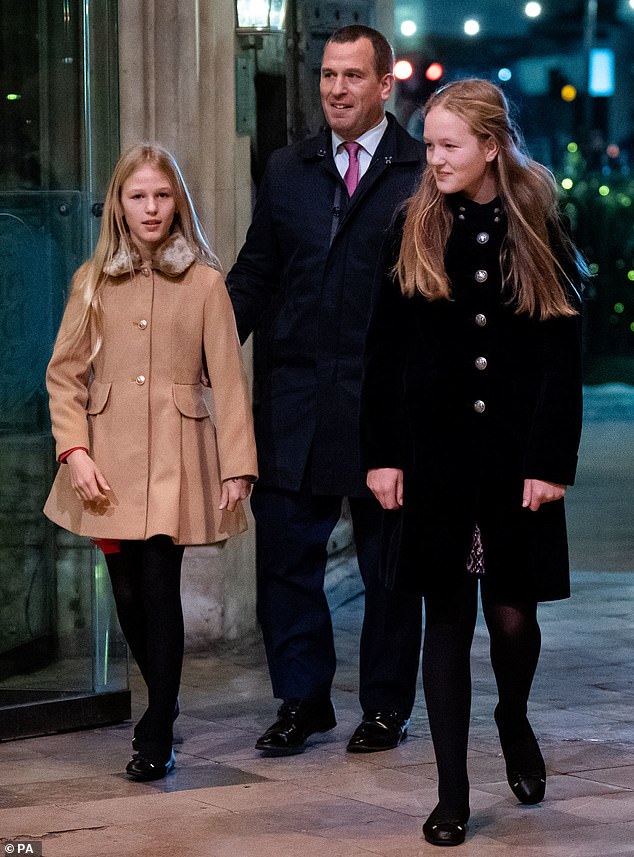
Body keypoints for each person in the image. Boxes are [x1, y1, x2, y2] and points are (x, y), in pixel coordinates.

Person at [360, 79, 586, 846]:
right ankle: (451, 791)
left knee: (514, 619)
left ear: (491, 145)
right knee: (447, 621)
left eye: (449, 145)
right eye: (428, 145)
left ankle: (513, 716)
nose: (436, 159)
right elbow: (384, 350)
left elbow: (563, 351)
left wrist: (551, 459)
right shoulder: (413, 224)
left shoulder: (538, 220)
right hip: (437, 460)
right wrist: (383, 456)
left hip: (518, 459)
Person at [227, 25, 425, 756]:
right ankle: (303, 700)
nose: (336, 89)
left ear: (383, 84)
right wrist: (203, 346)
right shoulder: (288, 169)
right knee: (286, 561)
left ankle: (385, 706)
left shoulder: (418, 171)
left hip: (384, 410)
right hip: (294, 404)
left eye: (352, 76)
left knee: (388, 571)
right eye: (327, 76)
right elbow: (254, 275)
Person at [43, 143, 258, 781]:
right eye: (138, 196)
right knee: (129, 593)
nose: (151, 208)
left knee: (159, 586)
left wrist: (237, 465)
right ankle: (160, 703)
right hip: (106, 461)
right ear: (119, 204)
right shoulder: (91, 280)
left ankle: (158, 723)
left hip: (177, 455)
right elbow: (64, 375)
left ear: (178, 203)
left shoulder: (205, 282)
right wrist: (73, 451)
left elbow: (229, 379)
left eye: (162, 196)